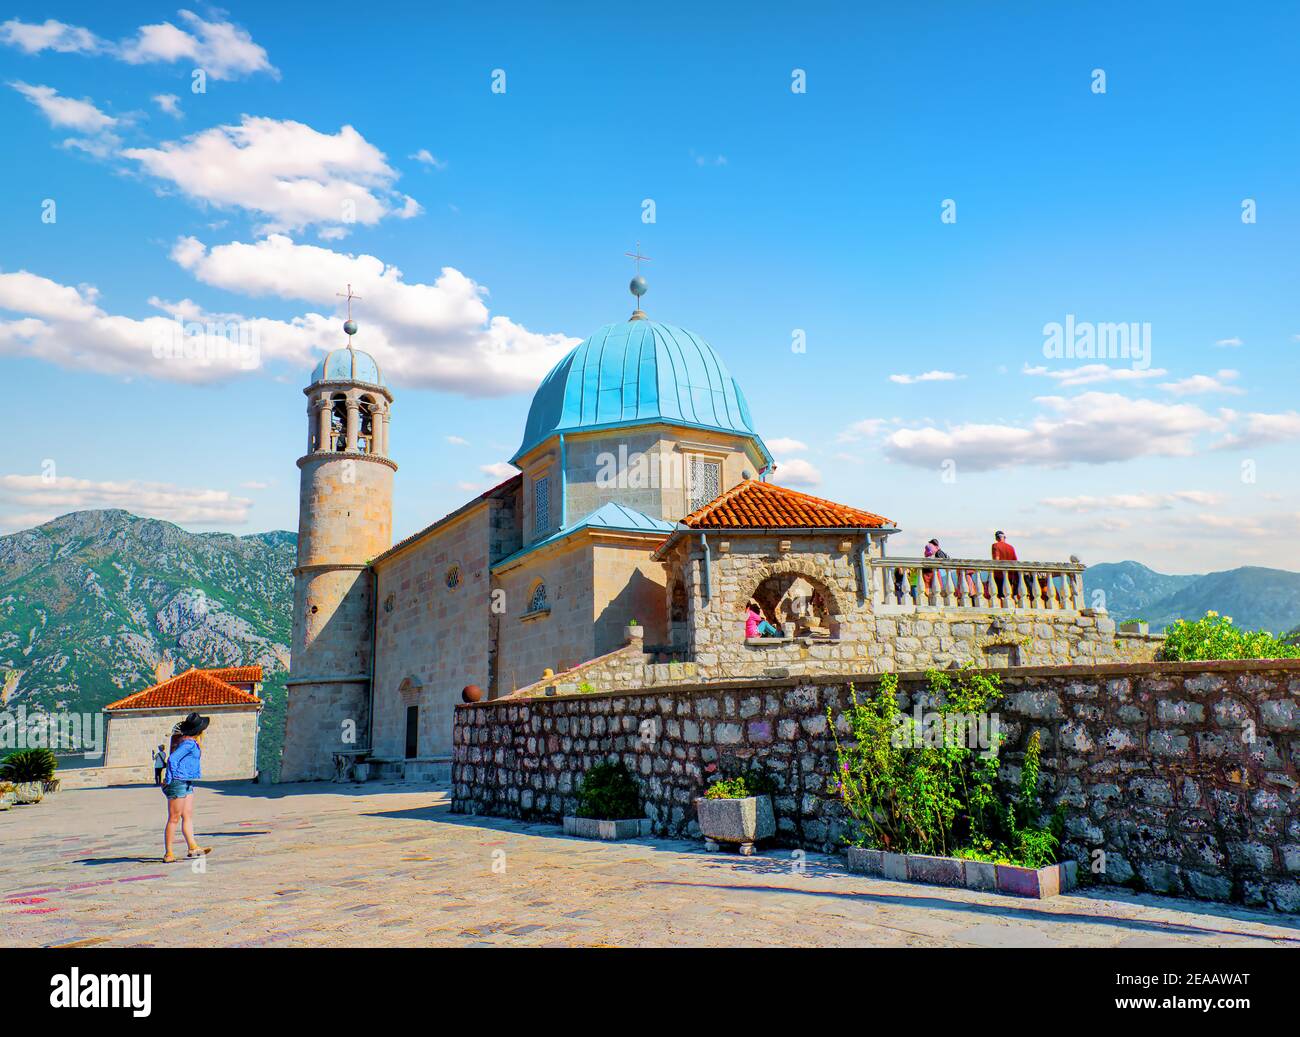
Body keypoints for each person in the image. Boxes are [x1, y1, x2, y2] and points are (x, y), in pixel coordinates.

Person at [161, 712, 212, 864]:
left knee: (187, 815)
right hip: (178, 782)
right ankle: (168, 852)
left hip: (187, 781)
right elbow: (172, 759)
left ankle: (192, 847)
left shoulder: (191, 743)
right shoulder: (188, 744)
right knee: (174, 818)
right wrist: (169, 779)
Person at [991, 530, 1019, 601]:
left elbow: (996, 560)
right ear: (1004, 537)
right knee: (1007, 592)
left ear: (996, 538)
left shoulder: (995, 546)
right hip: (1009, 574)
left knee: (1000, 594)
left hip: (999, 574)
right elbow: (1015, 561)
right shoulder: (1011, 547)